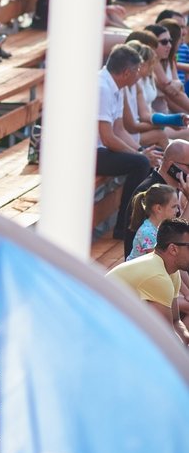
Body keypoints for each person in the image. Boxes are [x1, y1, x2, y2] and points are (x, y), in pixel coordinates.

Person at [96, 45, 155, 240]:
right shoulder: (102, 87)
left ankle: (135, 223)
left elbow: (119, 129)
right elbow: (108, 137)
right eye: (137, 71)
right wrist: (139, 155)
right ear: (126, 72)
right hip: (86, 152)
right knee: (140, 163)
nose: (139, 76)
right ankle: (125, 227)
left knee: (146, 159)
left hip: (101, 149)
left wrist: (140, 149)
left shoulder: (116, 85)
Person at [107, 218, 189, 346]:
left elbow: (175, 321)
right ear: (173, 249)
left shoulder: (171, 272)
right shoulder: (158, 277)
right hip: (100, 328)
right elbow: (168, 337)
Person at [126, 184, 179, 260]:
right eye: (174, 206)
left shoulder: (161, 226)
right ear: (158, 208)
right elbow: (159, 261)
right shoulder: (148, 233)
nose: (177, 210)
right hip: (137, 271)